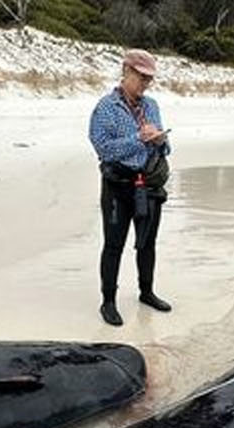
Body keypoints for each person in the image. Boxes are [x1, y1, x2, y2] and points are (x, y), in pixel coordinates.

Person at [88, 48, 172, 327]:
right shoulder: (105, 108)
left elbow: (166, 147)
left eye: (149, 79)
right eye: (141, 77)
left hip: (147, 184)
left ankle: (146, 292)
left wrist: (160, 141)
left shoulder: (152, 106)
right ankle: (108, 301)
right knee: (114, 245)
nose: (145, 84)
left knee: (148, 243)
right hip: (117, 185)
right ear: (126, 72)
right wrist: (140, 138)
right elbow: (103, 149)